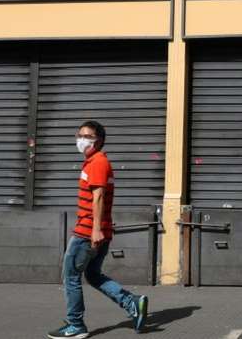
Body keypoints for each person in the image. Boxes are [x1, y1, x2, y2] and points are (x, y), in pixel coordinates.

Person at [48, 121, 148, 339]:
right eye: (79, 135)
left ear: (99, 140)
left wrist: (94, 230)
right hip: (98, 229)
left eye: (88, 136)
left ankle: (75, 325)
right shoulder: (93, 162)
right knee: (92, 274)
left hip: (87, 231)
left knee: (71, 276)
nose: (81, 139)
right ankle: (132, 303)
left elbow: (99, 196)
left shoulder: (98, 163)